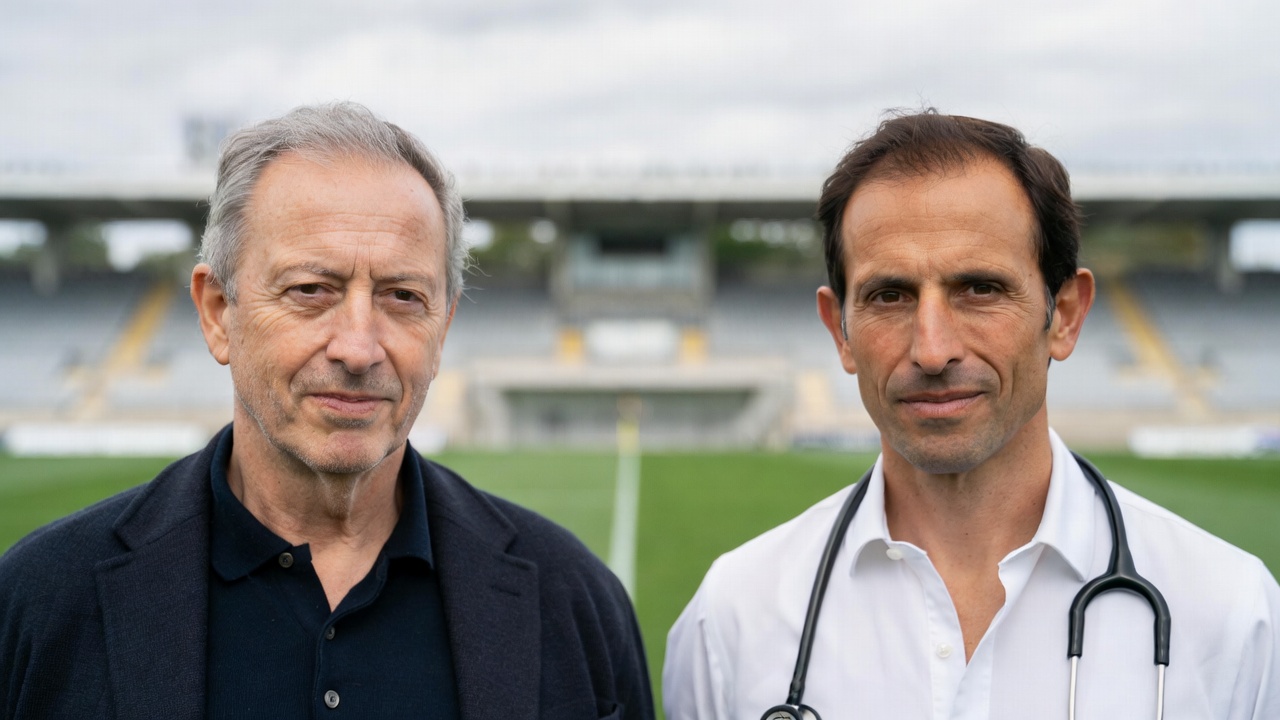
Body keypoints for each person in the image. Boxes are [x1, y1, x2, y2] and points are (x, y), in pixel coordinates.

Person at [0, 102, 653, 720]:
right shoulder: (39, 604)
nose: (359, 349)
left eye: (403, 296)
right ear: (218, 313)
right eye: (311, 290)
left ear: (444, 329)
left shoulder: (576, 604)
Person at [663, 111, 1280, 719]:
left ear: (1065, 315)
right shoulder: (733, 620)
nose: (932, 350)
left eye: (981, 289)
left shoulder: (1233, 616)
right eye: (889, 295)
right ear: (840, 331)